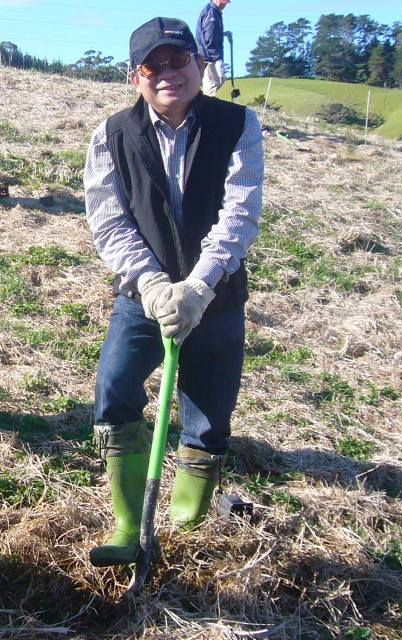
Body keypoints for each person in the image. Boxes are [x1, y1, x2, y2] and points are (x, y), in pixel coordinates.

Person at [84, 16, 263, 567]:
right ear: (134, 76)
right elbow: (109, 222)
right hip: (142, 299)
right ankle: (128, 523)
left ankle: (187, 526)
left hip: (216, 298)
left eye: (178, 60)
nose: (167, 73)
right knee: (115, 392)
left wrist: (200, 287)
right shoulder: (112, 134)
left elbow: (240, 212)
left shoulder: (238, 123)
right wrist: (154, 285)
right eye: (152, 65)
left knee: (208, 417)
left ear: (199, 64)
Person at [196, 0, 230, 96]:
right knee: (211, 85)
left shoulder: (213, 12)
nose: (224, 5)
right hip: (208, 57)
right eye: (222, 2)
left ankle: (203, 101)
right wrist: (217, 59)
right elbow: (209, 38)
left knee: (218, 81)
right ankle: (206, 105)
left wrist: (223, 34)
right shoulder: (212, 14)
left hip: (209, 55)